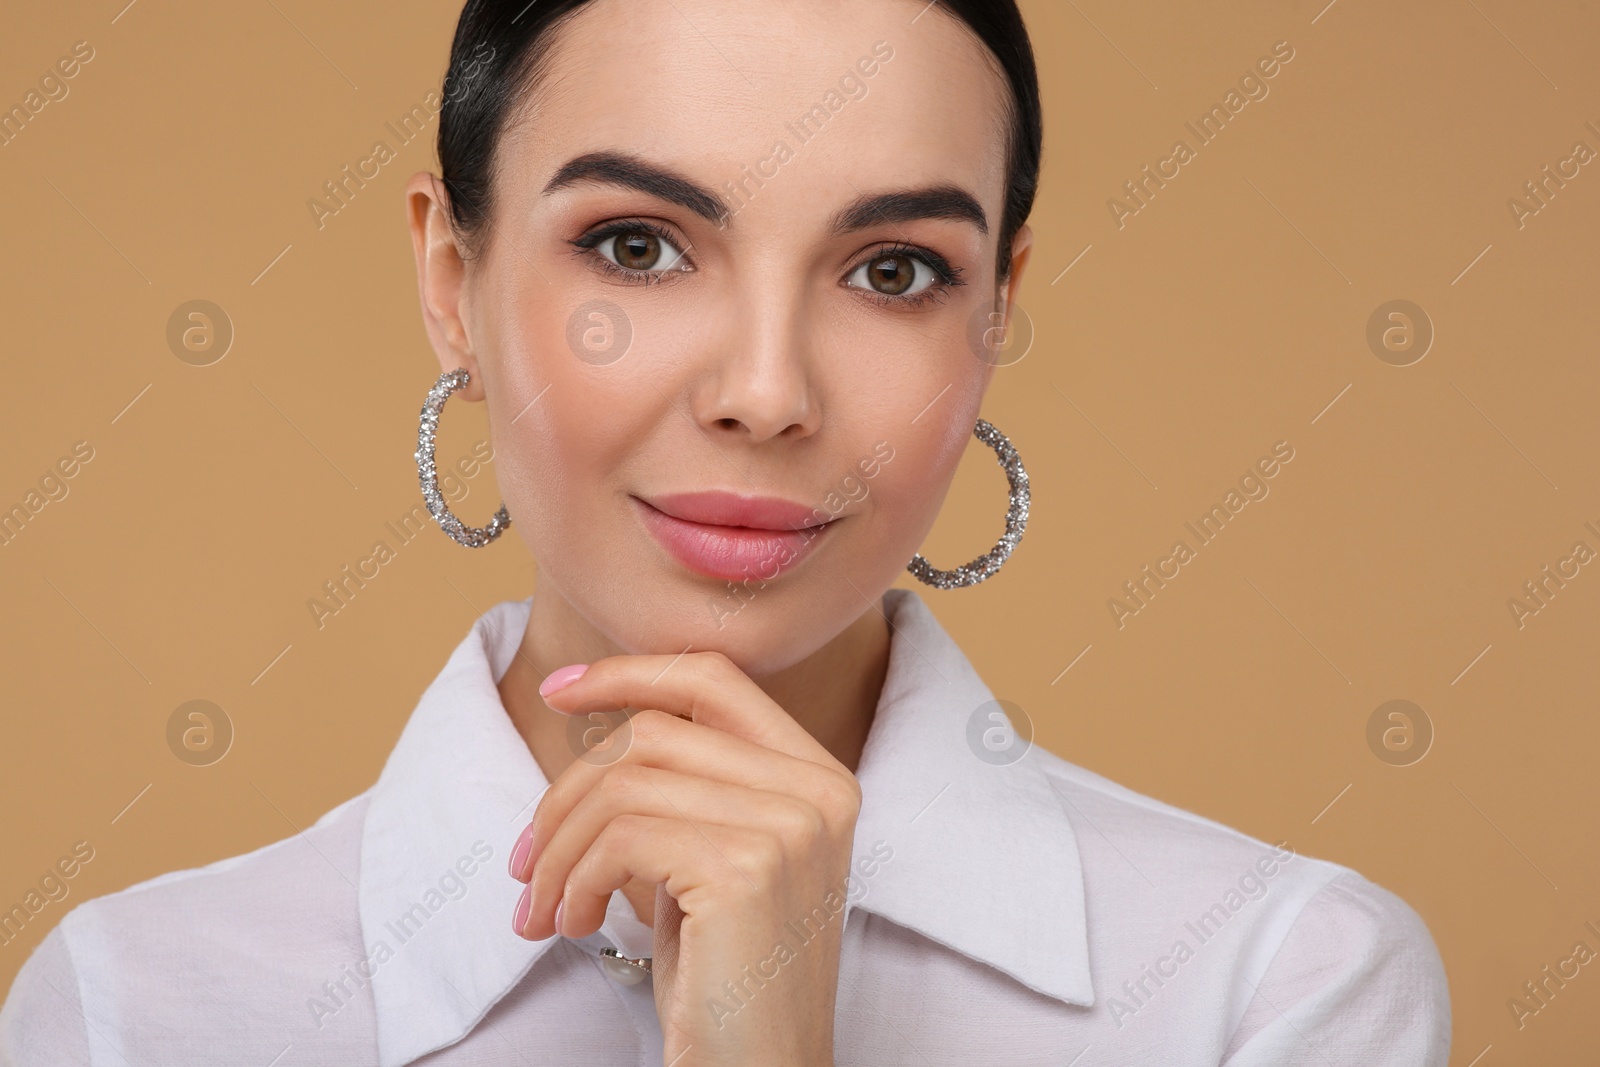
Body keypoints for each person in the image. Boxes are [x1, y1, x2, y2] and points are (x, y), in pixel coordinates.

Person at [0, 0, 1451, 1063]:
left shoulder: (1277, 984)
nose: (766, 393)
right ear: (452, 277)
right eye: (636, 246)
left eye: (892, 269)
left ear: (1000, 304)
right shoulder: (142, 1007)